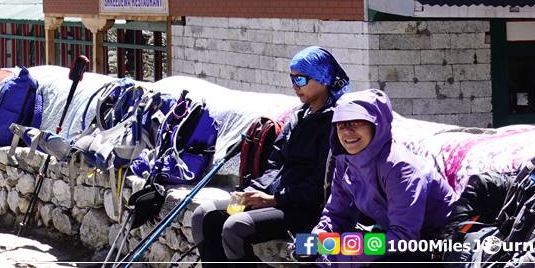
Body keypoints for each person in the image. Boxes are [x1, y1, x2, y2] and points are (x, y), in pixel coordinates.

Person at [192, 46, 350, 262]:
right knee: (205, 214)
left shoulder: (334, 125)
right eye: (292, 79)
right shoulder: (297, 118)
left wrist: (274, 200)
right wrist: (251, 191)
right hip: (275, 198)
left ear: (322, 79)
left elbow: (321, 183)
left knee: (236, 226)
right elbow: (275, 166)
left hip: (302, 207)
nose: (295, 86)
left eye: (301, 80)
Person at [310, 89, 457, 263]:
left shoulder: (400, 168)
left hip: (434, 241)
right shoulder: (346, 161)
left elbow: (404, 237)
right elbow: (336, 214)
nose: (347, 132)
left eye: (356, 122)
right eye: (341, 124)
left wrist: (341, 257)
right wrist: (316, 241)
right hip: (391, 233)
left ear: (377, 124)